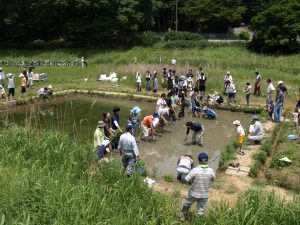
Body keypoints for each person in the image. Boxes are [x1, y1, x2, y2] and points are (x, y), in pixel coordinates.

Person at [181, 152, 215, 219]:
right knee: (200, 210)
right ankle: (198, 221)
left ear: (198, 161)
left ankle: (183, 216)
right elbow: (213, 179)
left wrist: (185, 179)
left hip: (193, 193)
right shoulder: (211, 171)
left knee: (186, 204)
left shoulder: (194, 170)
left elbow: (186, 180)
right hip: (204, 194)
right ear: (207, 160)